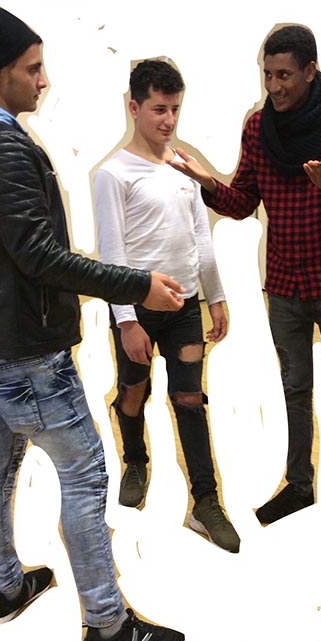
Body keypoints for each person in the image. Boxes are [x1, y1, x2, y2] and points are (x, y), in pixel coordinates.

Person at [0, 3, 186, 641]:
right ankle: (107, 627)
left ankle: (3, 588)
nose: (43, 81)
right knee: (86, 471)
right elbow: (39, 257)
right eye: (32, 68)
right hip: (27, 351)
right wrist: (137, 285)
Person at [170, 24, 321, 525]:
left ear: (310, 70)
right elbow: (244, 201)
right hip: (285, 287)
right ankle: (300, 486)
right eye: (268, 74)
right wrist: (207, 183)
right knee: (294, 390)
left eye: (284, 75)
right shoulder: (257, 127)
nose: (274, 86)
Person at [93, 59, 240, 553]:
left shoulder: (181, 166)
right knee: (134, 392)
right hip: (136, 309)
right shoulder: (113, 174)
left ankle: (206, 502)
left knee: (189, 399)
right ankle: (135, 461)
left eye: (175, 108)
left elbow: (201, 237)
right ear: (134, 108)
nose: (169, 120)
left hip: (185, 309)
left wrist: (215, 296)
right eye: (159, 109)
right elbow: (111, 254)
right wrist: (126, 322)